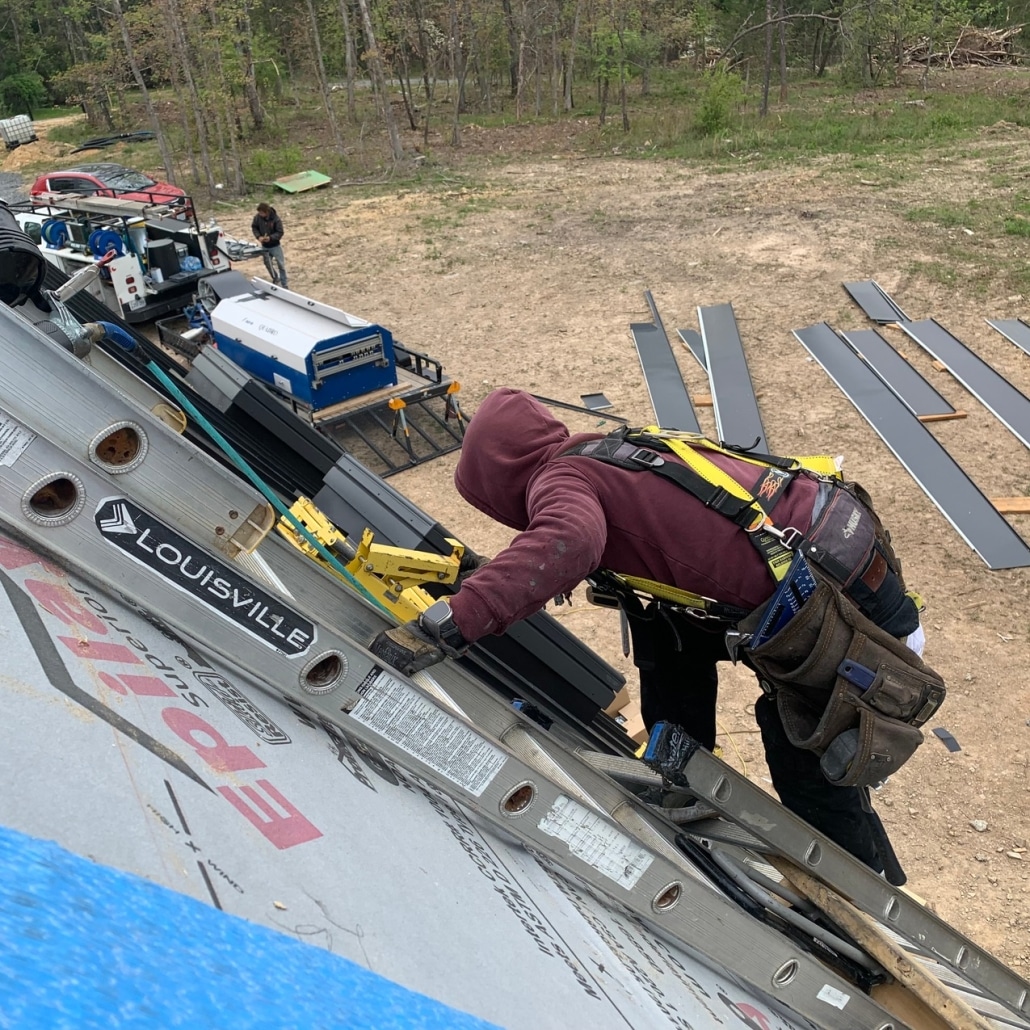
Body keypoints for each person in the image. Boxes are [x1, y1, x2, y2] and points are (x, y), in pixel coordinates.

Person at [371, 388, 939, 880]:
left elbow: (568, 542)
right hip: (837, 561)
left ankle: (862, 892)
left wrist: (449, 622)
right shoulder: (610, 451)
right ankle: (683, 768)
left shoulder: (561, 481)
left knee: (802, 744)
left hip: (851, 619)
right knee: (663, 628)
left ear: (501, 484)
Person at [251, 201, 288, 288]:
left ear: (266, 212)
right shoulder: (257, 218)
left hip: (275, 246)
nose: (260, 214)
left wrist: (271, 238)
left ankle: (284, 283)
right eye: (259, 212)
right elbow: (254, 227)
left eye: (261, 213)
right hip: (265, 246)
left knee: (281, 265)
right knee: (268, 264)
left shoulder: (276, 219)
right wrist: (258, 236)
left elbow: (280, 232)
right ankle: (275, 278)